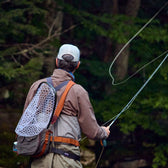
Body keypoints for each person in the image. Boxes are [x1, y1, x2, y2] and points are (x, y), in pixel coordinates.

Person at [24, 44, 110, 168]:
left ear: (56, 61)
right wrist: (103, 132)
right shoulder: (78, 91)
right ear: (78, 65)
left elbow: (26, 122)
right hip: (66, 160)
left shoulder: (37, 86)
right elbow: (92, 131)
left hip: (38, 159)